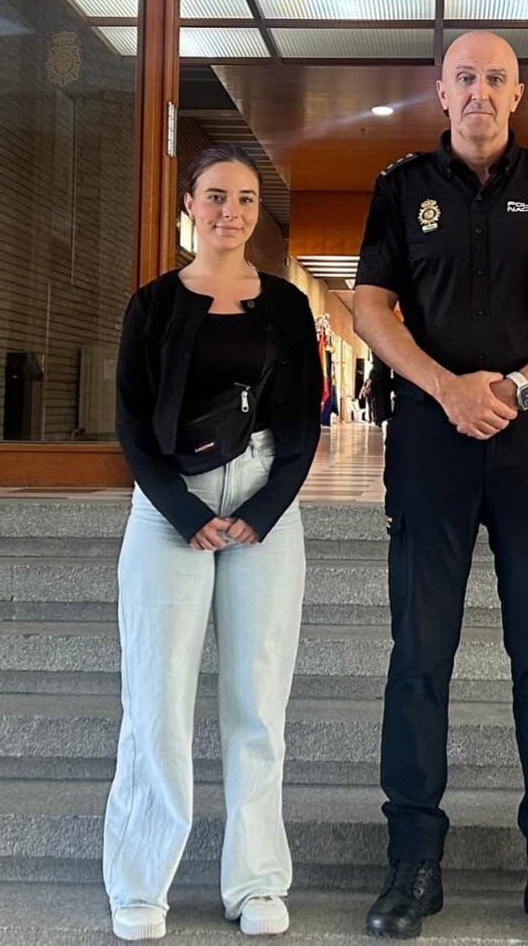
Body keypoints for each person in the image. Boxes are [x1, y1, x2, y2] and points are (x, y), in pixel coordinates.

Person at [353, 31, 528, 945]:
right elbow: (370, 303)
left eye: (493, 78)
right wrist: (445, 387)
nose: (478, 91)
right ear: (439, 90)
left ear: (516, 93)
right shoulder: (399, 188)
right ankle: (411, 864)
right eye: (463, 77)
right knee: (418, 654)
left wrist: (519, 387)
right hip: (431, 437)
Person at [103, 144, 323, 942]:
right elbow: (130, 419)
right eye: (215, 195)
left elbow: (303, 422)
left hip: (263, 500)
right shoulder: (154, 303)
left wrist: (263, 510)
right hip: (170, 503)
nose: (230, 210)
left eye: (245, 198)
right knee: (156, 697)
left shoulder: (290, 308)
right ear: (190, 206)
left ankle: (257, 881)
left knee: (257, 700)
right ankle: (139, 884)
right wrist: (178, 508)